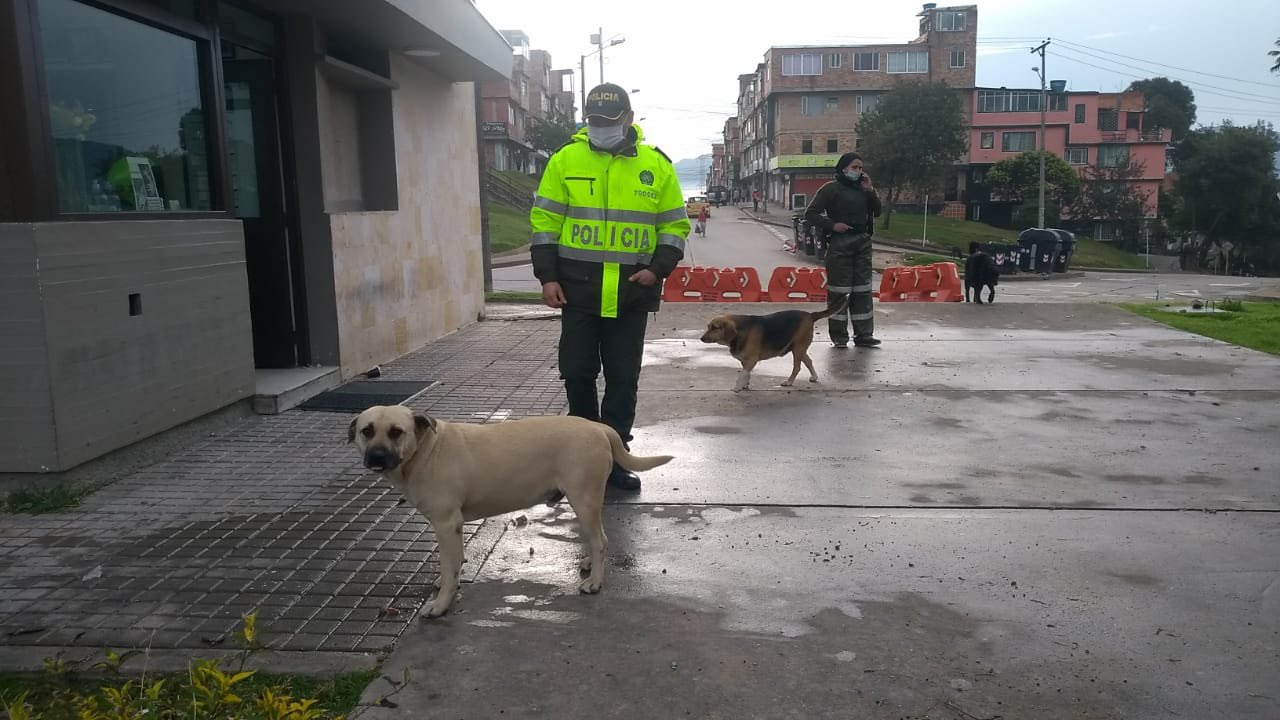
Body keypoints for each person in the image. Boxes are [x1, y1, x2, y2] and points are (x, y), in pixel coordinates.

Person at [530, 84, 689, 491]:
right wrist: (547, 277)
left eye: (609, 121)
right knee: (577, 373)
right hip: (578, 290)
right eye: (594, 121)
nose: (600, 128)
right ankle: (579, 457)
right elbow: (545, 224)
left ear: (628, 118)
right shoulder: (565, 160)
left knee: (622, 378)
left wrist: (658, 269)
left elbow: (673, 226)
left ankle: (615, 459)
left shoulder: (656, 166)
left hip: (632, 291)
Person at [804, 152, 882, 348]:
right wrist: (832, 225)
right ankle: (839, 337)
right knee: (840, 292)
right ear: (844, 168)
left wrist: (870, 191)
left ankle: (864, 335)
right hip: (840, 243)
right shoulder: (831, 189)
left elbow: (878, 211)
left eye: (860, 168)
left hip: (862, 242)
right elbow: (811, 213)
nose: (858, 171)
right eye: (855, 167)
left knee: (862, 291)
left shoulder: (864, 189)